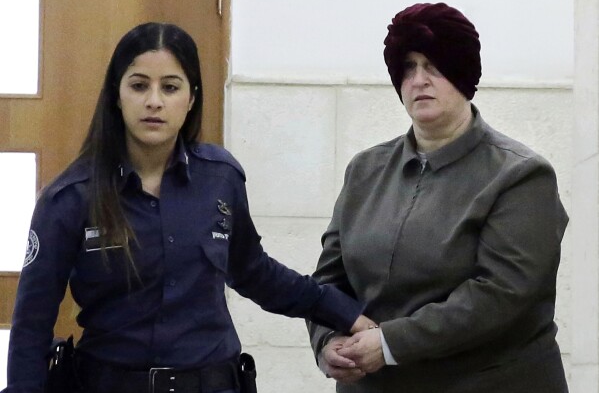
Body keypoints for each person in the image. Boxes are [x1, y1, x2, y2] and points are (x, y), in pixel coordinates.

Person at [3, 22, 373, 393]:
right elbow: (32, 324)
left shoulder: (220, 178)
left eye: (170, 87)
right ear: (117, 95)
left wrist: (343, 311)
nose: (154, 101)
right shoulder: (70, 197)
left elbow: (254, 272)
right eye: (138, 85)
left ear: (191, 97)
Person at [307, 2, 569, 393]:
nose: (419, 80)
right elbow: (329, 278)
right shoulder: (365, 170)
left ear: (464, 75)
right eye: (408, 68)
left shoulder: (520, 175)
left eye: (434, 65)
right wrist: (329, 342)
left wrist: (391, 343)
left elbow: (499, 295)